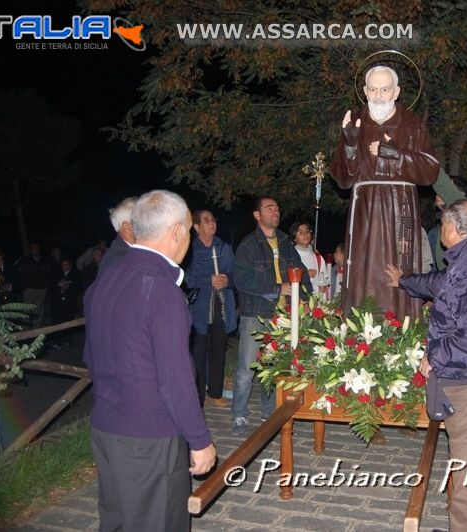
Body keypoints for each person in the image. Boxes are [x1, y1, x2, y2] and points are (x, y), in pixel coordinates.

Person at [84, 190, 216, 531]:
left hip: (106, 429)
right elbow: (175, 378)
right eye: (187, 231)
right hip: (150, 438)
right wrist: (199, 440)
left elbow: (91, 356)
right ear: (175, 232)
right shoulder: (161, 290)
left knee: (116, 521)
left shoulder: (105, 279)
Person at [386, 199, 467, 532]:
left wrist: (436, 355)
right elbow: (439, 285)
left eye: (443, 223)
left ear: (451, 228)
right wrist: (404, 281)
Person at [330, 65, 440, 317]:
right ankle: (359, 330)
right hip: (365, 209)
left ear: (396, 91)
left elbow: (430, 169)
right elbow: (342, 178)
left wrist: (397, 155)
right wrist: (349, 145)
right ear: (365, 91)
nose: (379, 95)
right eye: (373, 89)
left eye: (385, 89)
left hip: (399, 206)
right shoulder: (355, 124)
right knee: (363, 268)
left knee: (397, 265)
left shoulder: (412, 124)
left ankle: (400, 331)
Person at [233, 197, 310, 430]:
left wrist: (305, 298)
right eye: (269, 208)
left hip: (282, 316)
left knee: (273, 367)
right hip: (256, 314)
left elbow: (301, 273)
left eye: (277, 207)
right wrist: (277, 289)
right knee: (247, 368)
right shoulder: (248, 245)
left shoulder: (286, 243)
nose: (275, 211)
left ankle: (268, 411)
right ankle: (239, 413)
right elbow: (241, 280)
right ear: (257, 215)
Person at [185, 209, 237, 409]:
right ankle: (197, 397)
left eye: (213, 219)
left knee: (218, 351)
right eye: (206, 220)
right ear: (196, 227)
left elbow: (236, 275)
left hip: (221, 308)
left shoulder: (224, 248)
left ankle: (214, 392)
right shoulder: (190, 249)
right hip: (198, 311)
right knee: (198, 353)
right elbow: (184, 278)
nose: (212, 223)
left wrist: (227, 280)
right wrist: (209, 280)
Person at [289, 220, 329, 297]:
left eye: (307, 231)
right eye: (300, 232)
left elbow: (324, 281)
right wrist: (305, 274)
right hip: (297, 301)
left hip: (315, 301)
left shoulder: (318, 258)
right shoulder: (289, 257)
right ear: (294, 238)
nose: (305, 234)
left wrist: (323, 287)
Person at [16, 243, 51, 328]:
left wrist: (46, 285)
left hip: (42, 288)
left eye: (36, 248)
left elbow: (49, 273)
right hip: (30, 289)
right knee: (27, 309)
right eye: (33, 248)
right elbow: (19, 274)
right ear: (30, 250)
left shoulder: (44, 260)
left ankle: (36, 327)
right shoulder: (24, 260)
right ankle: (26, 328)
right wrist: (25, 286)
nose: (35, 249)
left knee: (39, 309)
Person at [99, 196, 136, 277]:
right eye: (142, 219)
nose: (149, 223)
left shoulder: (133, 250)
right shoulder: (117, 260)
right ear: (126, 227)